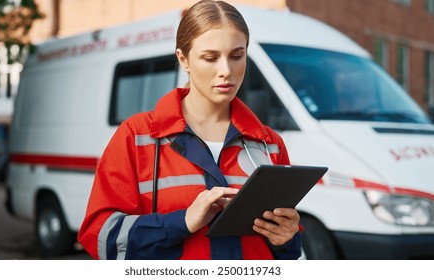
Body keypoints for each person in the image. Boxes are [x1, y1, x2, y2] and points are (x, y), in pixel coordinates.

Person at [78, 0, 301, 260]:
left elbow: (286, 253)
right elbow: (100, 237)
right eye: (210, 58)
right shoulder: (136, 136)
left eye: (237, 56)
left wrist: (287, 237)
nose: (226, 71)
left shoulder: (269, 143)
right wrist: (181, 222)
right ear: (183, 59)